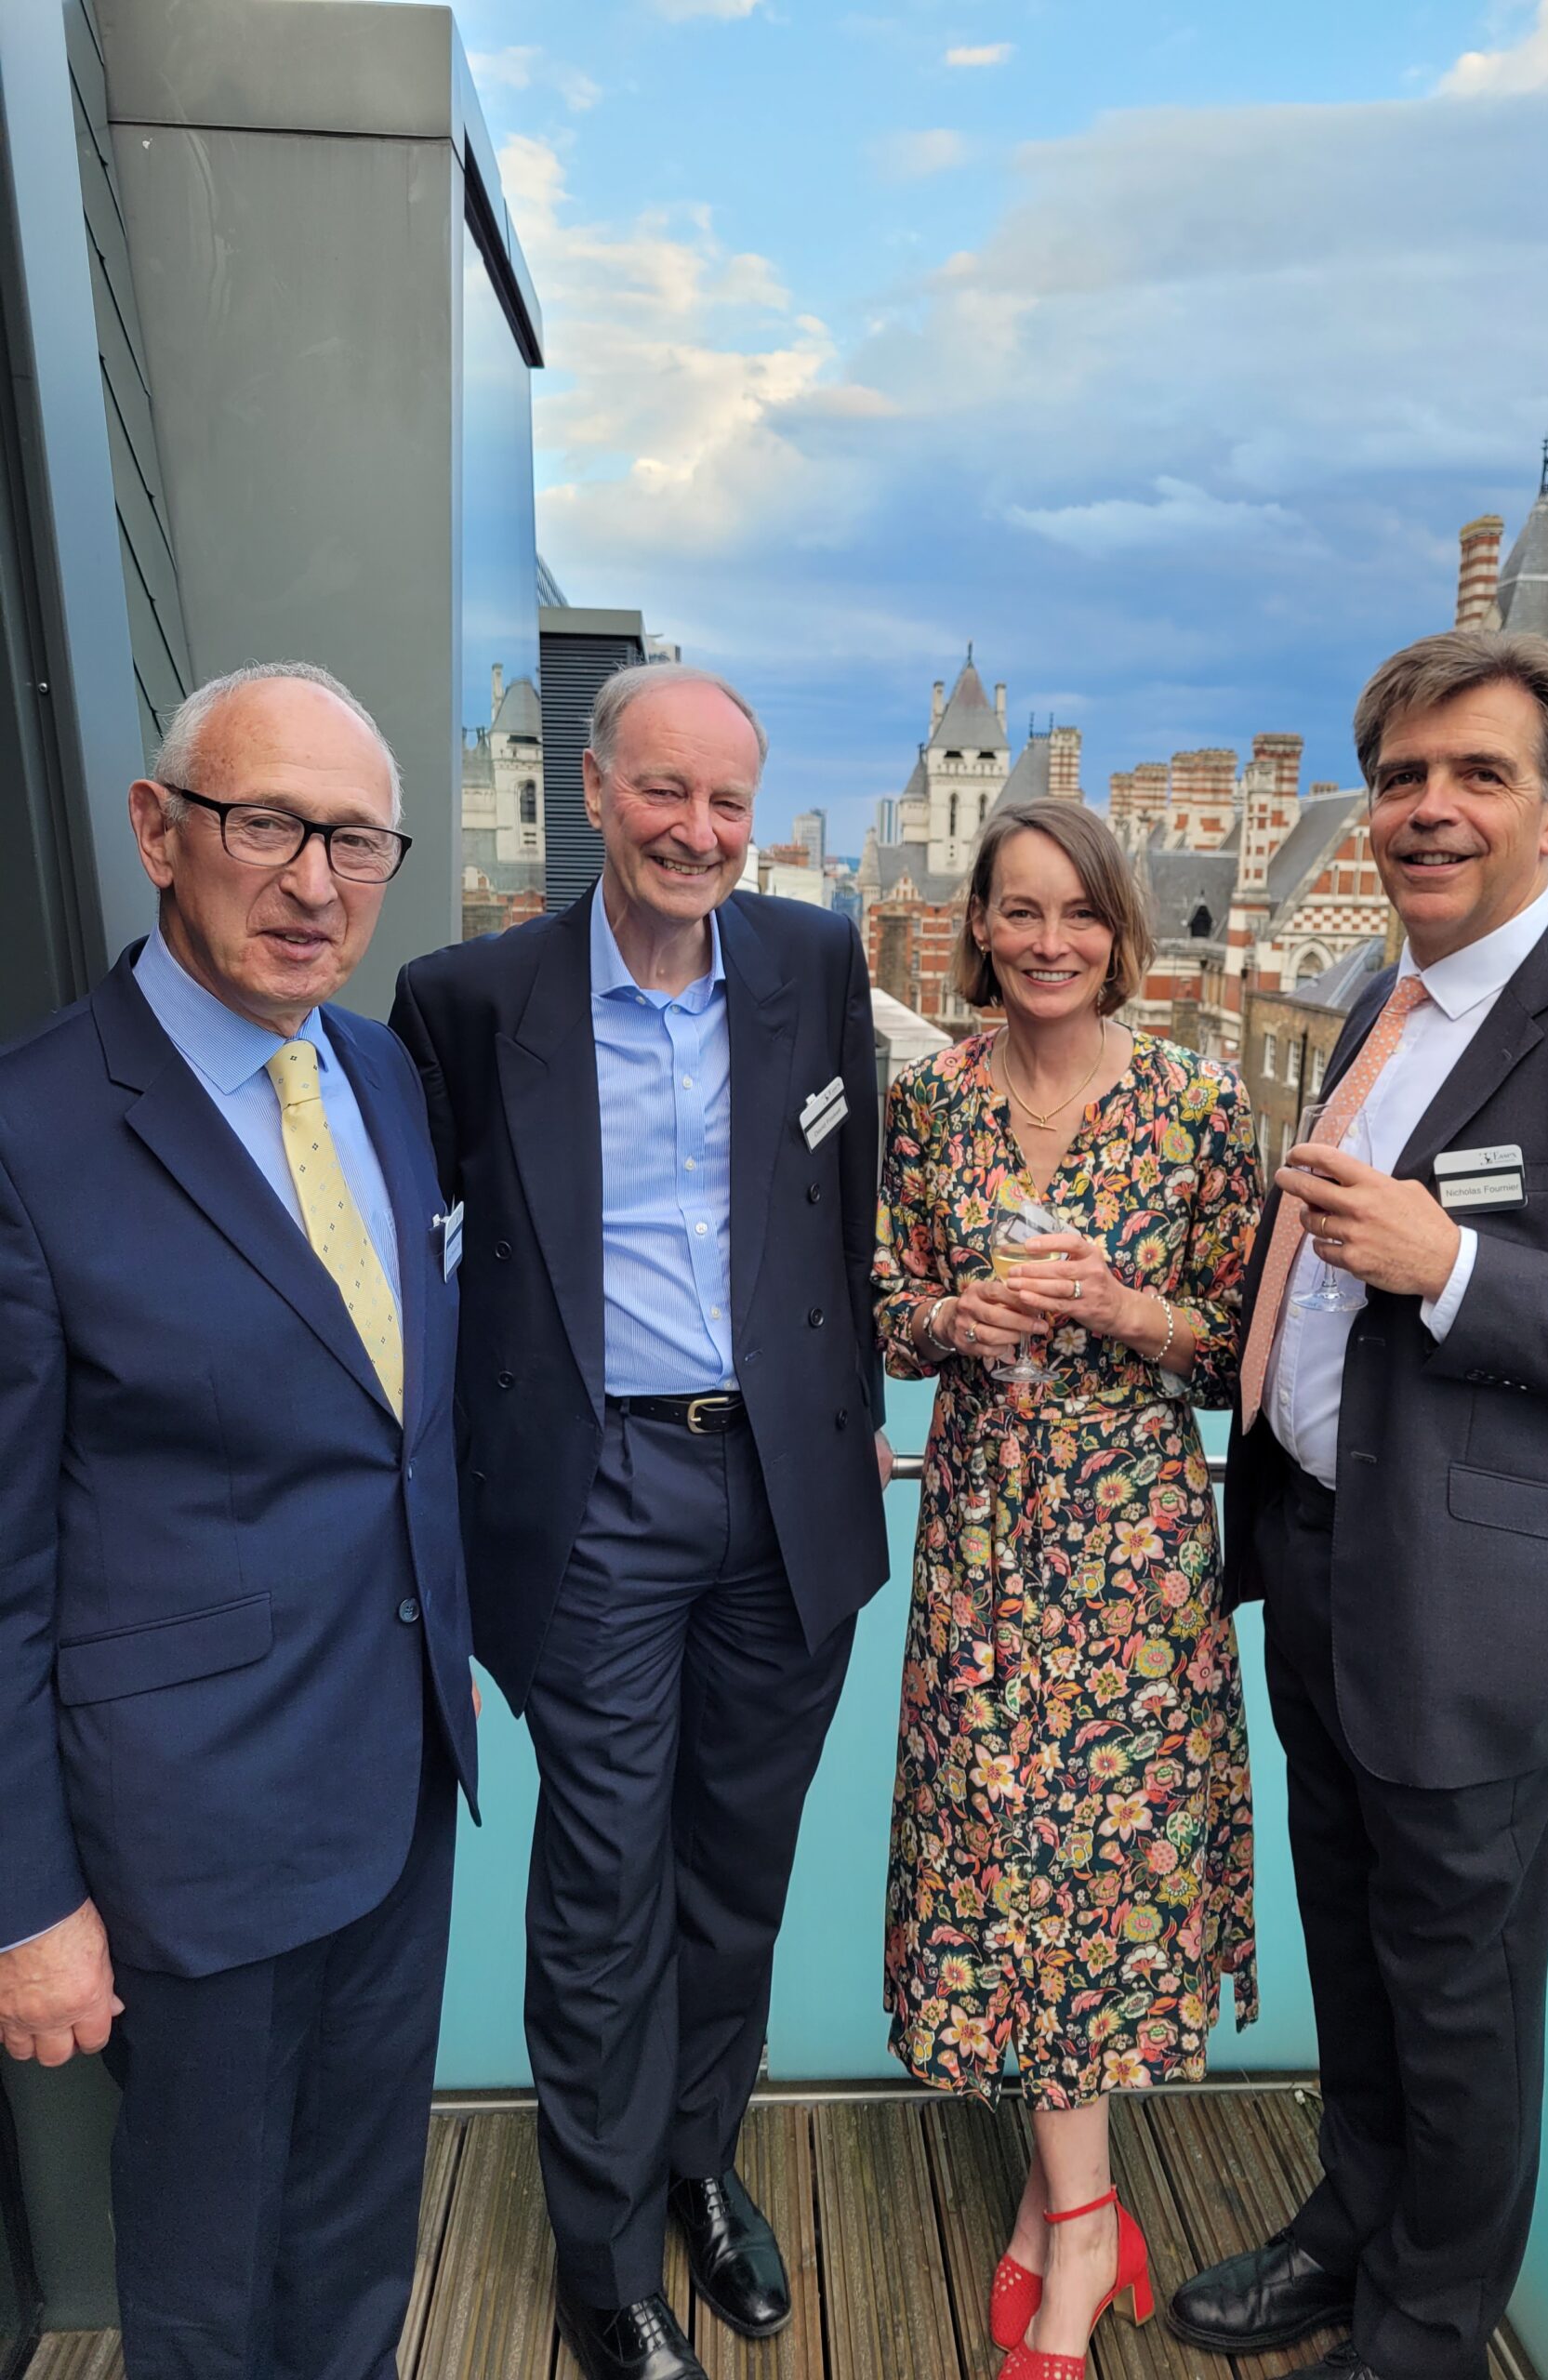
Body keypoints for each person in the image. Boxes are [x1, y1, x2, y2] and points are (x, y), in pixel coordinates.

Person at [1169, 629, 1548, 2380]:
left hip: (1478, 1618)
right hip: (1320, 1558)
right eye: (1406, 780)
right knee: (1357, 1953)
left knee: (1462, 2001)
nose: (1433, 811)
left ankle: (1429, 2325)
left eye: (1479, 775)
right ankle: (1350, 2232)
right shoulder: (1378, 1001)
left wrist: (1456, 1270)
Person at [390, 663, 890, 2380]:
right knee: (603, 1882)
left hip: (785, 1493)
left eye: (730, 803)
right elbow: (403, 1266)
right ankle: (603, 2261)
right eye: (664, 793)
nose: (699, 831)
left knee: (734, 1875)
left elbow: (849, 1212)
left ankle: (698, 2165)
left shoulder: (816, 962)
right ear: (592, 793)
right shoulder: (465, 998)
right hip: (593, 1492)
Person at [0, 663, 479, 2380]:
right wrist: (25, 1902)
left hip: (398, 1783)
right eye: (267, 823)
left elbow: (395, 1427)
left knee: (358, 2233)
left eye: (355, 839)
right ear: (158, 830)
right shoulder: (30, 1130)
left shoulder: (381, 1073)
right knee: (207, 2283)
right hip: (184, 1839)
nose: (313, 880)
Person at [875, 800, 1261, 2380]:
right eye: (1017, 913)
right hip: (978, 1538)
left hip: (1135, 1548)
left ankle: (1077, 2226)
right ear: (976, 926)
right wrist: (951, 1320)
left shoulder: (1196, 1105)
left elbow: (1252, 1353)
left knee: (1102, 1861)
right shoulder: (931, 1107)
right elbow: (878, 1309)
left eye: (1079, 915)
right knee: (995, 1846)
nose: (1047, 944)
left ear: (1123, 931)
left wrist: (1128, 1309)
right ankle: (1073, 2206)